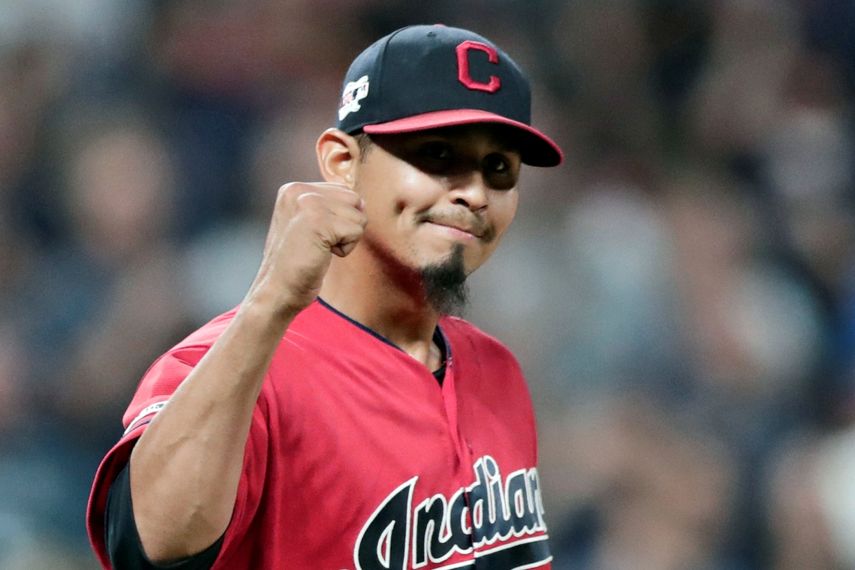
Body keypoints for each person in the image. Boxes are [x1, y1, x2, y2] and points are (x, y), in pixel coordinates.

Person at [86, 24, 563, 569]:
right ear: (342, 162)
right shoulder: (233, 367)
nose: (475, 193)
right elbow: (150, 545)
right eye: (437, 154)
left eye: (499, 169)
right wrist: (269, 302)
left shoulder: (497, 371)